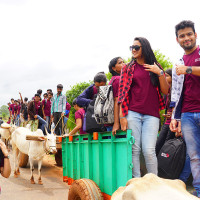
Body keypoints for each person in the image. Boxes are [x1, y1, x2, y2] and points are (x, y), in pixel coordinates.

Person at [118, 37, 169, 178]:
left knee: (149, 150)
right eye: (132, 47)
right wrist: (122, 116)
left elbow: (165, 91)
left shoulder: (155, 66)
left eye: (136, 47)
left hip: (152, 115)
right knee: (134, 150)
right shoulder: (127, 68)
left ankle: (154, 182)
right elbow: (122, 94)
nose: (133, 50)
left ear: (144, 48)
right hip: (132, 113)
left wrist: (159, 72)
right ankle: (137, 181)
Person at [170, 20, 200, 197]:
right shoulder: (178, 63)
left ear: (195, 35)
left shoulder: (186, 64)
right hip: (187, 114)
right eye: (182, 36)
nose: (186, 38)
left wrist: (188, 69)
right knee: (195, 157)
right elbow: (176, 93)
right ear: (177, 40)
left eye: (189, 34)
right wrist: (176, 117)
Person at [156, 69, 175, 155]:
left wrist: (173, 114)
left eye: (167, 75)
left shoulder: (176, 90)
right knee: (158, 146)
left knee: (168, 148)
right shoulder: (166, 92)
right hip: (166, 123)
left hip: (174, 124)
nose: (164, 77)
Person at [106, 57, 125, 134]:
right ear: (114, 68)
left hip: (111, 120)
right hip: (117, 121)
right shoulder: (118, 79)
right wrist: (116, 123)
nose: (123, 64)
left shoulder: (113, 79)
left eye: (123, 62)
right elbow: (117, 101)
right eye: (120, 63)